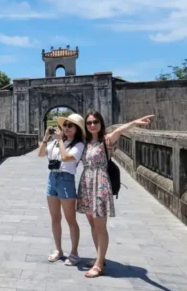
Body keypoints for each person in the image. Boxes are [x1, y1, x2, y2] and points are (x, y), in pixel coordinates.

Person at [77, 112, 153, 278]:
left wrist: (135, 121)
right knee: (92, 224)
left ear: (100, 123)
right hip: (87, 184)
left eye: (95, 122)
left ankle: (98, 265)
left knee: (100, 226)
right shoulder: (86, 143)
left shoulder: (107, 140)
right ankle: (100, 258)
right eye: (89, 122)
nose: (92, 125)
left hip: (100, 184)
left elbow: (120, 130)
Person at [37, 113, 86, 266]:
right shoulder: (57, 142)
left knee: (70, 219)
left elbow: (66, 158)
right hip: (52, 178)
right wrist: (46, 138)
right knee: (55, 218)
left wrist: (60, 140)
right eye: (65, 125)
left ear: (77, 129)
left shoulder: (79, 145)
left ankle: (74, 252)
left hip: (66, 180)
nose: (66, 128)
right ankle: (58, 249)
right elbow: (40, 154)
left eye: (70, 126)